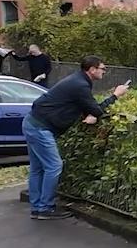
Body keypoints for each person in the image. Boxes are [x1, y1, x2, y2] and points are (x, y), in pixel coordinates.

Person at [23, 56, 129, 220]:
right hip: (40, 127)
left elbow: (81, 105)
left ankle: (37, 207)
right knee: (54, 166)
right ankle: (45, 208)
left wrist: (89, 113)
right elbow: (98, 110)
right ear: (92, 69)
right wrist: (115, 95)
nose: (104, 71)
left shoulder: (78, 81)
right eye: (103, 68)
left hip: (33, 123)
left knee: (38, 168)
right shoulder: (80, 85)